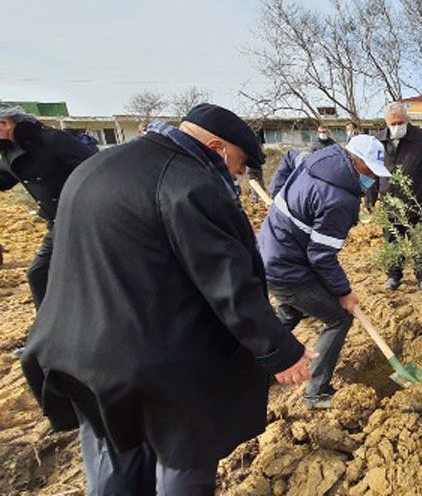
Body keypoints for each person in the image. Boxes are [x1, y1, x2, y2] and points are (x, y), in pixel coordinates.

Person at [20, 103, 312, 494]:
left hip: (77, 356)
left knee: (115, 461)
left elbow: (49, 264)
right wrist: (280, 351)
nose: (239, 174)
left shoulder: (95, 167)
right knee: (184, 459)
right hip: (155, 367)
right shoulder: (188, 185)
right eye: (239, 162)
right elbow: (227, 284)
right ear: (216, 147)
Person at [259, 134, 390, 409]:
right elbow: (321, 256)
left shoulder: (320, 158)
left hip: (270, 253)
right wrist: (344, 292)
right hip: (288, 268)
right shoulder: (338, 200)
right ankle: (316, 392)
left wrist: (278, 195)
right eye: (369, 171)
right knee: (339, 318)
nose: (372, 179)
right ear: (356, 160)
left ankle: (256, 369)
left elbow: (290, 158)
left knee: (290, 311)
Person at [0, 104, 97, 357]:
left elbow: (95, 167)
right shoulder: (10, 151)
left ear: (5, 123)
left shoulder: (53, 140)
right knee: (39, 274)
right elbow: (6, 179)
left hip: (85, 218)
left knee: (91, 277)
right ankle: (48, 339)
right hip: (58, 223)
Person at [374, 102, 422, 294]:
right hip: (390, 202)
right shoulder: (378, 141)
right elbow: (372, 170)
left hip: (417, 201)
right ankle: (394, 275)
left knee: (419, 241)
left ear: (407, 119)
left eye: (400, 122)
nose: (397, 127)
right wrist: (370, 197)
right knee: (393, 240)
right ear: (386, 122)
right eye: (392, 124)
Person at [266, 124, 339, 197]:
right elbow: (311, 156)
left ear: (328, 132)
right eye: (320, 132)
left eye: (324, 132)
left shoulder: (333, 145)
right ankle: (275, 193)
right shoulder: (316, 144)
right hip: (314, 166)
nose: (322, 134)